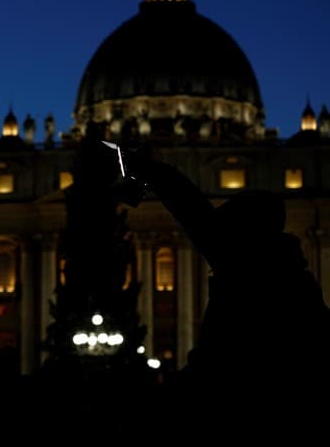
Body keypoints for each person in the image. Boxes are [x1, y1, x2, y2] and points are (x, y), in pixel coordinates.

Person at [119, 148, 330, 440]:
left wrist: (149, 171)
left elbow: (192, 209)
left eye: (229, 221)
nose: (221, 228)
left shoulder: (244, 264)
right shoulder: (298, 279)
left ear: (247, 229)